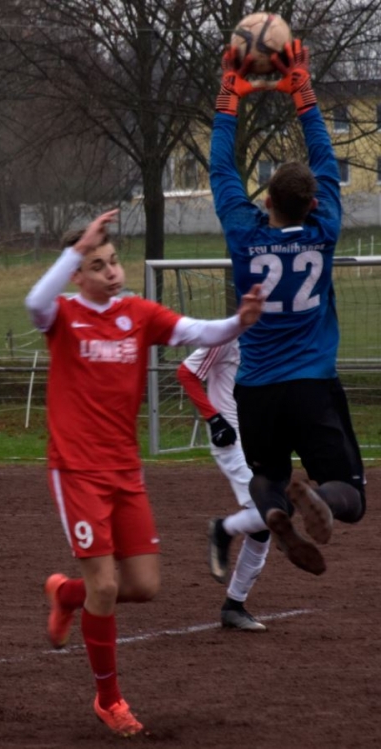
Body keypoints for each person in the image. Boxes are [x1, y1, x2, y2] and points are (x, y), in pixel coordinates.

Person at [25, 209, 264, 737]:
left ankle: (66, 595)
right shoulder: (62, 314)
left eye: (113, 261)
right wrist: (76, 247)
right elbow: (34, 302)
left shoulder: (137, 313)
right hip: (77, 470)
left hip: (125, 471)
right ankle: (109, 700)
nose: (112, 271)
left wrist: (239, 323)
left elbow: (195, 330)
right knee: (106, 586)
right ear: (76, 275)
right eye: (97, 265)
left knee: (144, 586)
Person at [212, 39, 366, 576]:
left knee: (268, 477)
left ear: (267, 202)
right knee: (351, 494)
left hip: (255, 389)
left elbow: (220, 169)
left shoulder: (243, 233)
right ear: (315, 203)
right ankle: (320, 496)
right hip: (311, 385)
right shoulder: (324, 230)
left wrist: (229, 95)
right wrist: (302, 90)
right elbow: (324, 157)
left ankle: (276, 510)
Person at [177, 342, 271, 632]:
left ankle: (234, 605)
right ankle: (223, 529)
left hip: (260, 436)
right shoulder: (231, 335)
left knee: (263, 525)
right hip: (230, 437)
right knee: (267, 511)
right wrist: (214, 419)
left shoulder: (276, 335)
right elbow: (186, 372)